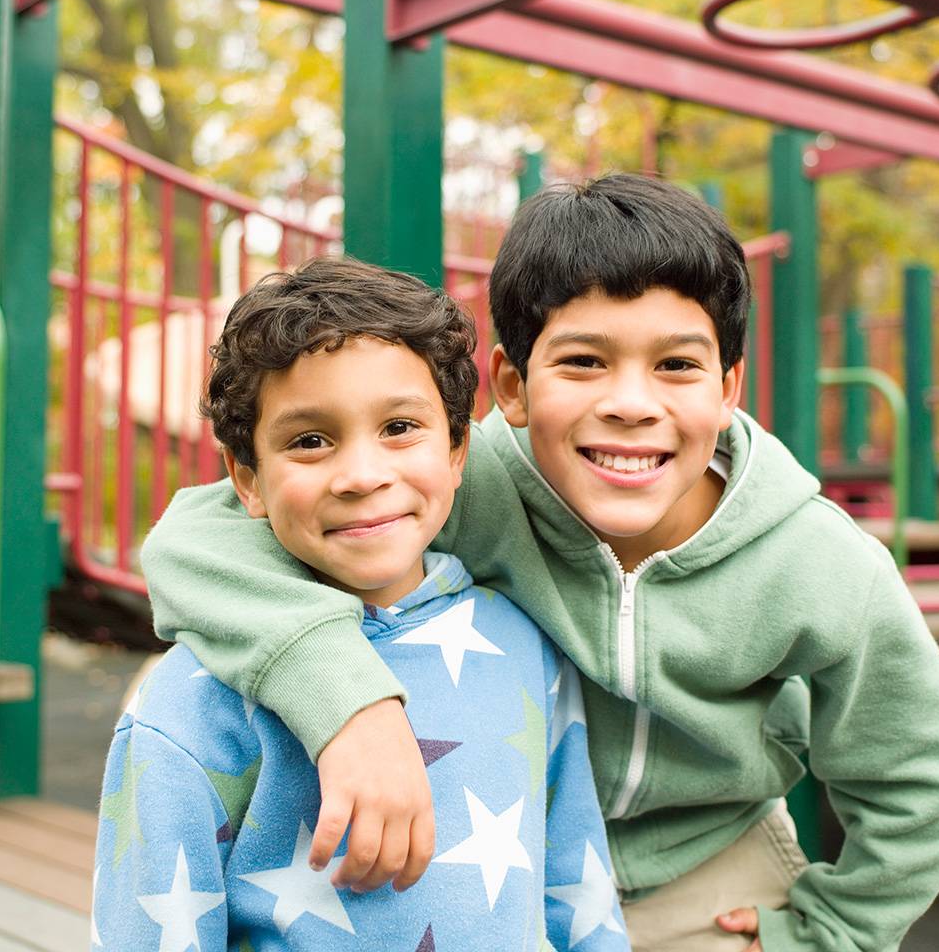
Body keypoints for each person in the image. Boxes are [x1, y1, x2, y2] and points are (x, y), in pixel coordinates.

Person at [141, 174, 939, 952]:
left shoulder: (815, 560)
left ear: (727, 389)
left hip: (710, 872)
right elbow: (193, 542)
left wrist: (837, 930)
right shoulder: (461, 482)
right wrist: (347, 704)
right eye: (583, 361)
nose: (629, 402)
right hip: (499, 869)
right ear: (510, 384)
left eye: (677, 366)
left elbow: (921, 768)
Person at [92, 256, 629, 951]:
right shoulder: (188, 704)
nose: (362, 475)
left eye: (401, 427)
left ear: (458, 447)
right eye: (310, 441)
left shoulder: (527, 645)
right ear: (247, 480)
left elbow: (578, 896)